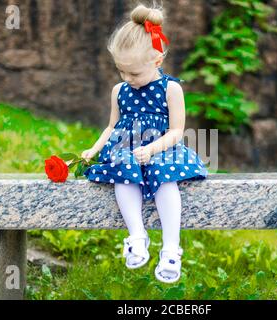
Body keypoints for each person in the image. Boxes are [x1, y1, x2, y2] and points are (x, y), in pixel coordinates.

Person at [81, 3, 208, 283]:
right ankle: (137, 235)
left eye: (134, 74)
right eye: (121, 72)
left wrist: (152, 149)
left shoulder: (171, 89)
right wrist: (95, 149)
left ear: (157, 61)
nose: (127, 79)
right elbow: (111, 126)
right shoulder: (119, 91)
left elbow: (176, 131)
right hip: (127, 148)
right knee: (123, 172)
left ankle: (171, 248)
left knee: (164, 176)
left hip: (162, 148)